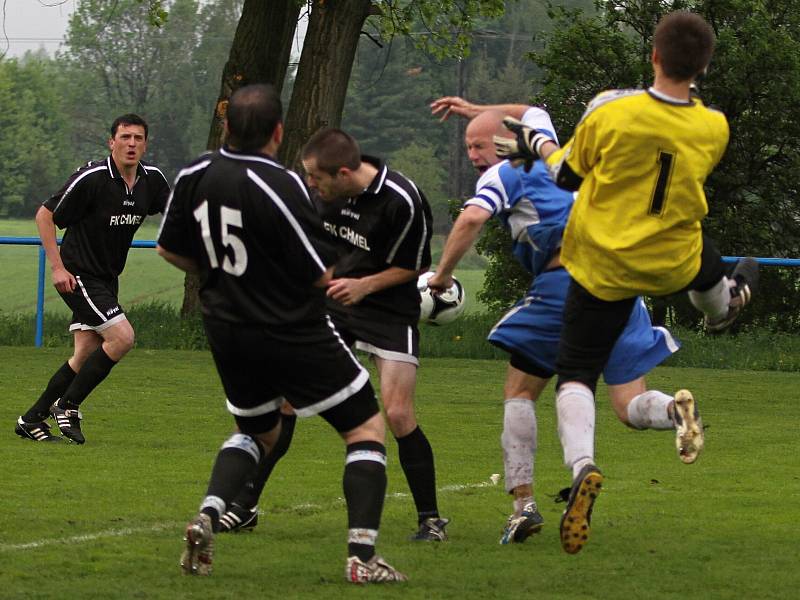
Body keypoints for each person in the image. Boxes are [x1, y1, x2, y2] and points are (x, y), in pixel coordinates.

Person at [494, 11, 758, 554]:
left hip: (608, 264)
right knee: (706, 261)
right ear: (703, 65)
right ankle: (723, 305)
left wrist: (535, 144)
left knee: (576, 374)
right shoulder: (715, 125)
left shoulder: (614, 114)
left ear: (654, 57)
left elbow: (565, 174)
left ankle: (583, 465)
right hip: (673, 258)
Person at [156, 84, 406, 583]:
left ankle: (208, 515)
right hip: (292, 328)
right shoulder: (284, 184)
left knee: (256, 431)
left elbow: (169, 250)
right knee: (365, 429)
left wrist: (219, 276)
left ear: (226, 127)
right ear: (278, 131)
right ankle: (362, 558)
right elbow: (318, 273)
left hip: (227, 329)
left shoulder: (194, 173)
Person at [428, 96, 701, 547]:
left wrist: (442, 275)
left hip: (565, 284)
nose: (473, 155)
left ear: (503, 142)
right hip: (618, 279)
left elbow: (473, 216)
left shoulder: (506, 170)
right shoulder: (549, 142)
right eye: (468, 147)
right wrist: (475, 108)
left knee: (520, 391)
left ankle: (524, 507)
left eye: (477, 145)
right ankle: (675, 409)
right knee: (628, 406)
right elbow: (529, 108)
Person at [219, 127, 447, 543]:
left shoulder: (402, 199)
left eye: (316, 178)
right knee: (286, 402)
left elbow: (415, 265)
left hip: (389, 310)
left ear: (344, 173)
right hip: (335, 305)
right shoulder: (320, 195)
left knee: (397, 414)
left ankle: (430, 519)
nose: (310, 185)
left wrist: (365, 285)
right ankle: (244, 505)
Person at [14, 114, 170, 444]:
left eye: (138, 138)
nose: (131, 144)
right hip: (78, 274)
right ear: (111, 142)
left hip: (106, 277)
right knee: (123, 337)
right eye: (124, 137)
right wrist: (57, 268)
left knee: (85, 353)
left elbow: (175, 212)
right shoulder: (94, 177)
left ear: (145, 144)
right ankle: (67, 405)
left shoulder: (151, 180)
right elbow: (45, 215)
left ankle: (30, 419)